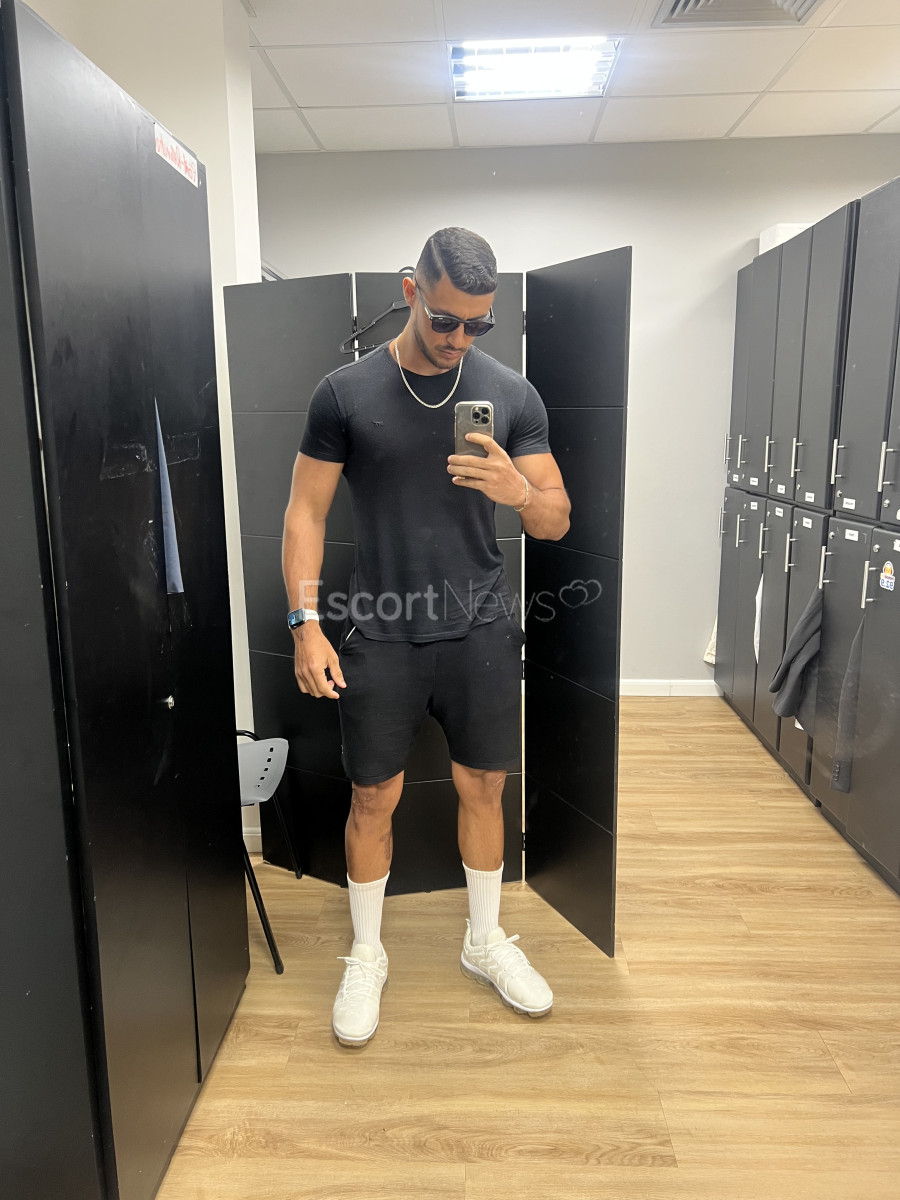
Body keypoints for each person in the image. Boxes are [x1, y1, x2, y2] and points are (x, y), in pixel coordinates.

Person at [282, 227, 570, 1047]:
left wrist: (519, 492)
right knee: (373, 796)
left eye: (479, 324)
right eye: (445, 319)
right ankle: (367, 954)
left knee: (485, 787)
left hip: (479, 628)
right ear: (411, 291)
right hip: (380, 631)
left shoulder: (512, 394)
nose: (459, 339)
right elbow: (305, 514)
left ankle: (484, 940)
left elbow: (555, 518)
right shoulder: (344, 394)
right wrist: (306, 625)